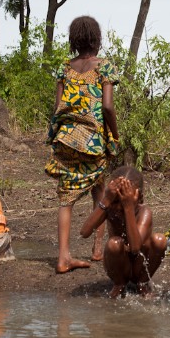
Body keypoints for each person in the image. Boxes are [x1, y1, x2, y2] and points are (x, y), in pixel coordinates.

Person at [45, 16, 120, 273]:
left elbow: (57, 108)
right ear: (96, 39)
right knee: (97, 192)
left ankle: (70, 255)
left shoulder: (65, 68)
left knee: (72, 195)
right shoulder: (104, 67)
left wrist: (54, 135)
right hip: (93, 140)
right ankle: (92, 250)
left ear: (74, 40)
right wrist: (115, 136)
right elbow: (108, 107)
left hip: (66, 138)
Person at [80, 166, 167, 298]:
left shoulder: (144, 212)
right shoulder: (109, 208)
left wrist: (128, 209)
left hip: (140, 265)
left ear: (140, 199)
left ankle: (142, 284)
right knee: (114, 243)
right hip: (118, 265)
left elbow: (135, 248)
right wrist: (106, 201)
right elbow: (85, 232)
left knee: (160, 240)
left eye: (125, 202)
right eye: (116, 201)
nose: (119, 207)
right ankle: (119, 284)